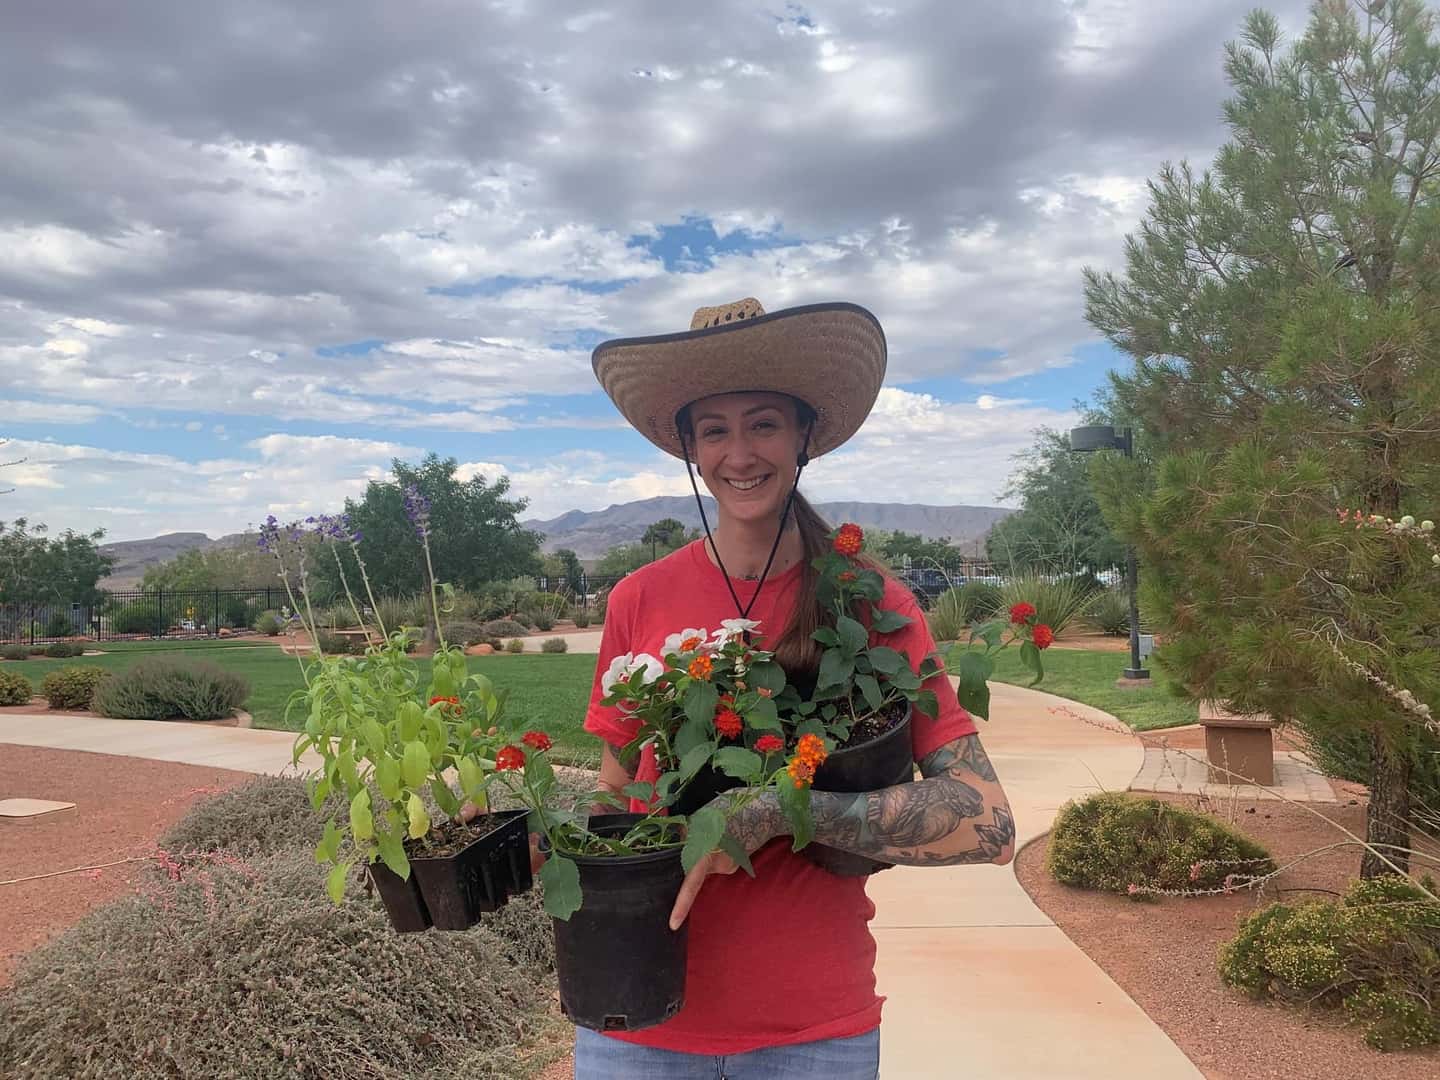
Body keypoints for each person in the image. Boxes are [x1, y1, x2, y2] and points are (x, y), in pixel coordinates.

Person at [576, 297, 1015, 1079]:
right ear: (690, 447)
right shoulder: (639, 600)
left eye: (764, 423)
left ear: (804, 434)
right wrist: (555, 839)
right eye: (714, 429)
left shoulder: (871, 605)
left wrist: (780, 810)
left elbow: (985, 822)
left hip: (810, 1031)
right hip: (634, 1014)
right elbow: (614, 793)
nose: (739, 452)